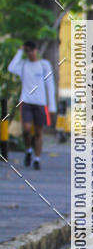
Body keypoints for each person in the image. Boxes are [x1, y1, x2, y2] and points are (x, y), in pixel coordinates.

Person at [8, 41, 56, 170]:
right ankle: (28, 150)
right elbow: (11, 68)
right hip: (26, 102)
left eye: (32, 50)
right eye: (27, 51)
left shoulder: (44, 65)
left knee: (39, 132)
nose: (30, 53)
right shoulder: (23, 65)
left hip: (40, 103)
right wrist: (20, 51)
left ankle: (37, 159)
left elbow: (50, 85)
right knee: (27, 130)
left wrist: (52, 106)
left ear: (36, 50)